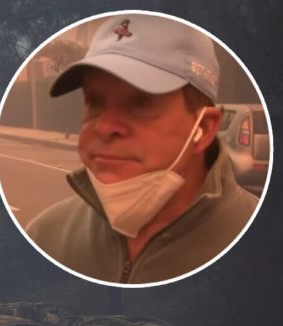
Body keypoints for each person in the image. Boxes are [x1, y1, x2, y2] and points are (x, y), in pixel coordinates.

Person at [25, 14, 259, 284]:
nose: (104, 127)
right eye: (95, 101)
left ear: (203, 128)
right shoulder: (46, 237)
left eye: (142, 103)